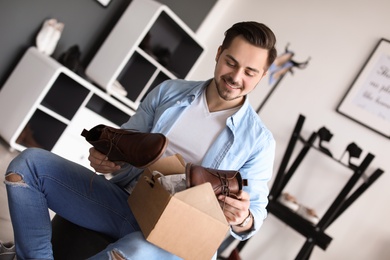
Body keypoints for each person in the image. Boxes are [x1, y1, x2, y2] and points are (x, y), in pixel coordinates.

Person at [4, 21, 277, 259]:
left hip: (180, 236)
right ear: (218, 54)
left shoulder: (259, 142)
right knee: (28, 165)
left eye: (250, 72)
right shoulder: (169, 92)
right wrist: (108, 158)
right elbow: (127, 142)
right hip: (124, 203)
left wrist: (243, 218)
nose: (236, 77)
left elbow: (255, 213)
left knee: (131, 254)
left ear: (262, 75)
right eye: (231, 62)